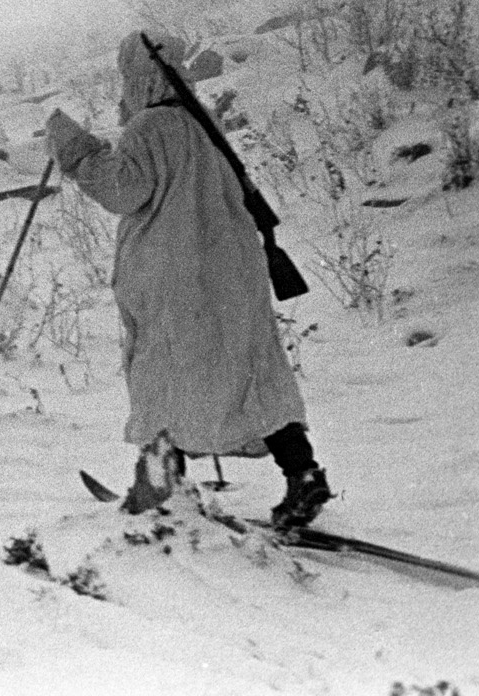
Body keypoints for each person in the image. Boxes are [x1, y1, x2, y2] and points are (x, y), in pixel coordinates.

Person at [44, 32, 333, 528]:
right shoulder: (204, 126)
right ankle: (303, 473)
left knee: (163, 375)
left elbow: (122, 191)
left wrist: (77, 151)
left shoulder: (151, 126)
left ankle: (158, 489)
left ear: (141, 75)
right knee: (251, 374)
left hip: (178, 279)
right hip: (232, 272)